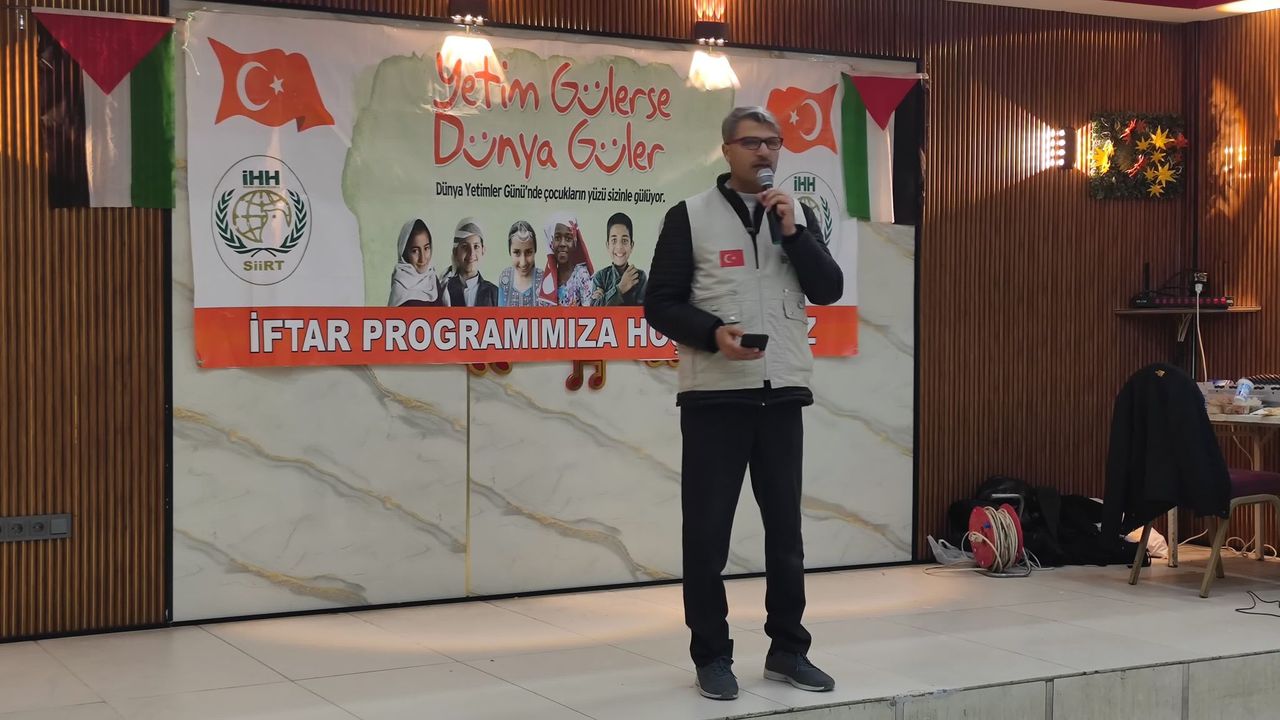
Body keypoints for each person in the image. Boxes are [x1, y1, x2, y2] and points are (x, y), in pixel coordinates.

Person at [644, 106, 844, 701]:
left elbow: (828, 289)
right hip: (715, 398)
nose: (765, 153)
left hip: (781, 396)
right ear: (727, 149)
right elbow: (659, 303)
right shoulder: (689, 216)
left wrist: (795, 232)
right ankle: (711, 655)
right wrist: (713, 334)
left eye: (773, 143)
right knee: (707, 536)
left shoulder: (795, 213)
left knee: (786, 534)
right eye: (753, 143)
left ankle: (788, 650)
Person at [537, 212, 594, 306]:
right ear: (551, 244)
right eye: (557, 238)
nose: (562, 244)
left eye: (568, 238)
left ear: (575, 244)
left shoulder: (581, 276)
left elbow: (589, 311)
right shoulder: (546, 283)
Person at [591, 212, 646, 306]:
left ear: (631, 246)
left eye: (624, 240)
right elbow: (594, 311)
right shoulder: (600, 277)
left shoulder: (639, 277)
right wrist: (620, 288)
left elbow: (642, 311)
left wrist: (605, 298)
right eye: (614, 240)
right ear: (608, 245)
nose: (619, 247)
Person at [388, 218, 444, 307]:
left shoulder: (432, 278)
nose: (422, 258)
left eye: (426, 248)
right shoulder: (400, 285)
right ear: (405, 253)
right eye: (415, 251)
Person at [443, 217, 498, 307]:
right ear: (455, 252)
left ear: (483, 250)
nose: (471, 253)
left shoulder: (495, 293)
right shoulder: (445, 289)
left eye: (476, 246)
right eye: (465, 247)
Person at [497, 220, 545, 307]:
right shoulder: (505, 278)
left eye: (529, 252)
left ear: (535, 250)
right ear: (510, 252)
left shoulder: (543, 279)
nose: (523, 262)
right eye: (516, 252)